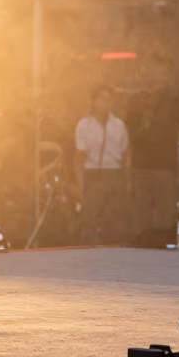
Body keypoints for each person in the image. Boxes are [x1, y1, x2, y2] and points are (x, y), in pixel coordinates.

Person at [126, 59, 179, 243]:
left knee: (166, 212)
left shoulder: (175, 100)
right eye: (155, 70)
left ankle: (162, 246)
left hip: (165, 164)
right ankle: (140, 244)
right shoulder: (136, 100)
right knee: (141, 211)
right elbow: (129, 130)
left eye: (164, 71)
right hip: (141, 164)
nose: (159, 75)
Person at [75, 88, 131, 245]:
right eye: (102, 99)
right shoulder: (84, 125)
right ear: (94, 101)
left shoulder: (119, 125)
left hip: (114, 173)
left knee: (115, 220)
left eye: (109, 99)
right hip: (93, 174)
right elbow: (80, 156)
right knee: (91, 218)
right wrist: (80, 185)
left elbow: (126, 153)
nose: (105, 103)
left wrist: (126, 180)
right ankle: (91, 249)